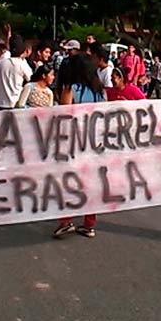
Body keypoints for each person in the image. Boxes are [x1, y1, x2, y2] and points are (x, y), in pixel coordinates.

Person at [54, 54, 106, 239]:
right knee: (90, 184)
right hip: (94, 144)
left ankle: (65, 221)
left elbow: (63, 117)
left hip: (74, 143)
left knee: (68, 181)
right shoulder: (100, 91)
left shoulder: (70, 89)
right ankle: (89, 224)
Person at [0, 36, 33, 110]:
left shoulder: (2, 62)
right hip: (16, 103)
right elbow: (30, 78)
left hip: (2, 103)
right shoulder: (22, 64)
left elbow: (6, 53)